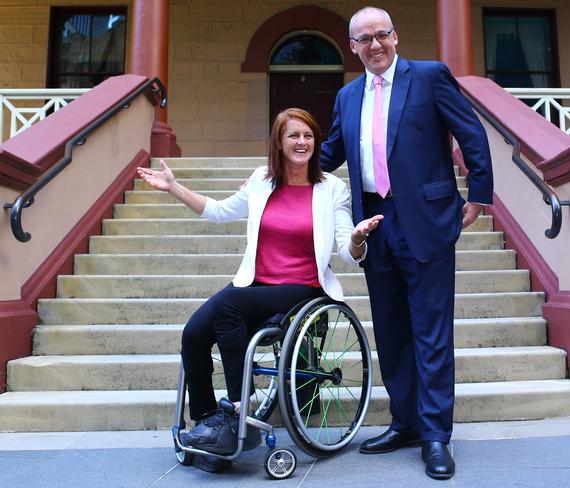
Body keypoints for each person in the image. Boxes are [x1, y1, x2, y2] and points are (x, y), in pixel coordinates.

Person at [137, 108, 383, 469]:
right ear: (279, 143)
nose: (302, 143)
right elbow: (220, 211)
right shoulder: (261, 180)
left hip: (303, 288)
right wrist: (173, 187)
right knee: (193, 334)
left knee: (230, 306)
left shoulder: (332, 188)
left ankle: (238, 409)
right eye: (293, 136)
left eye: (308, 136)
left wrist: (359, 239)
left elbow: (347, 252)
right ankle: (210, 423)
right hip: (255, 285)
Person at [320, 7, 494, 480]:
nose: (374, 45)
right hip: (374, 223)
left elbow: (470, 131)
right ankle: (406, 422)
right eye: (364, 39)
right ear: (352, 46)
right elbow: (330, 154)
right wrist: (284, 161)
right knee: (393, 332)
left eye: (381, 35)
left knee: (430, 332)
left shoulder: (430, 76)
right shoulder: (347, 95)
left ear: (395, 37)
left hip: (427, 219)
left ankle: (436, 435)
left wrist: (479, 194)